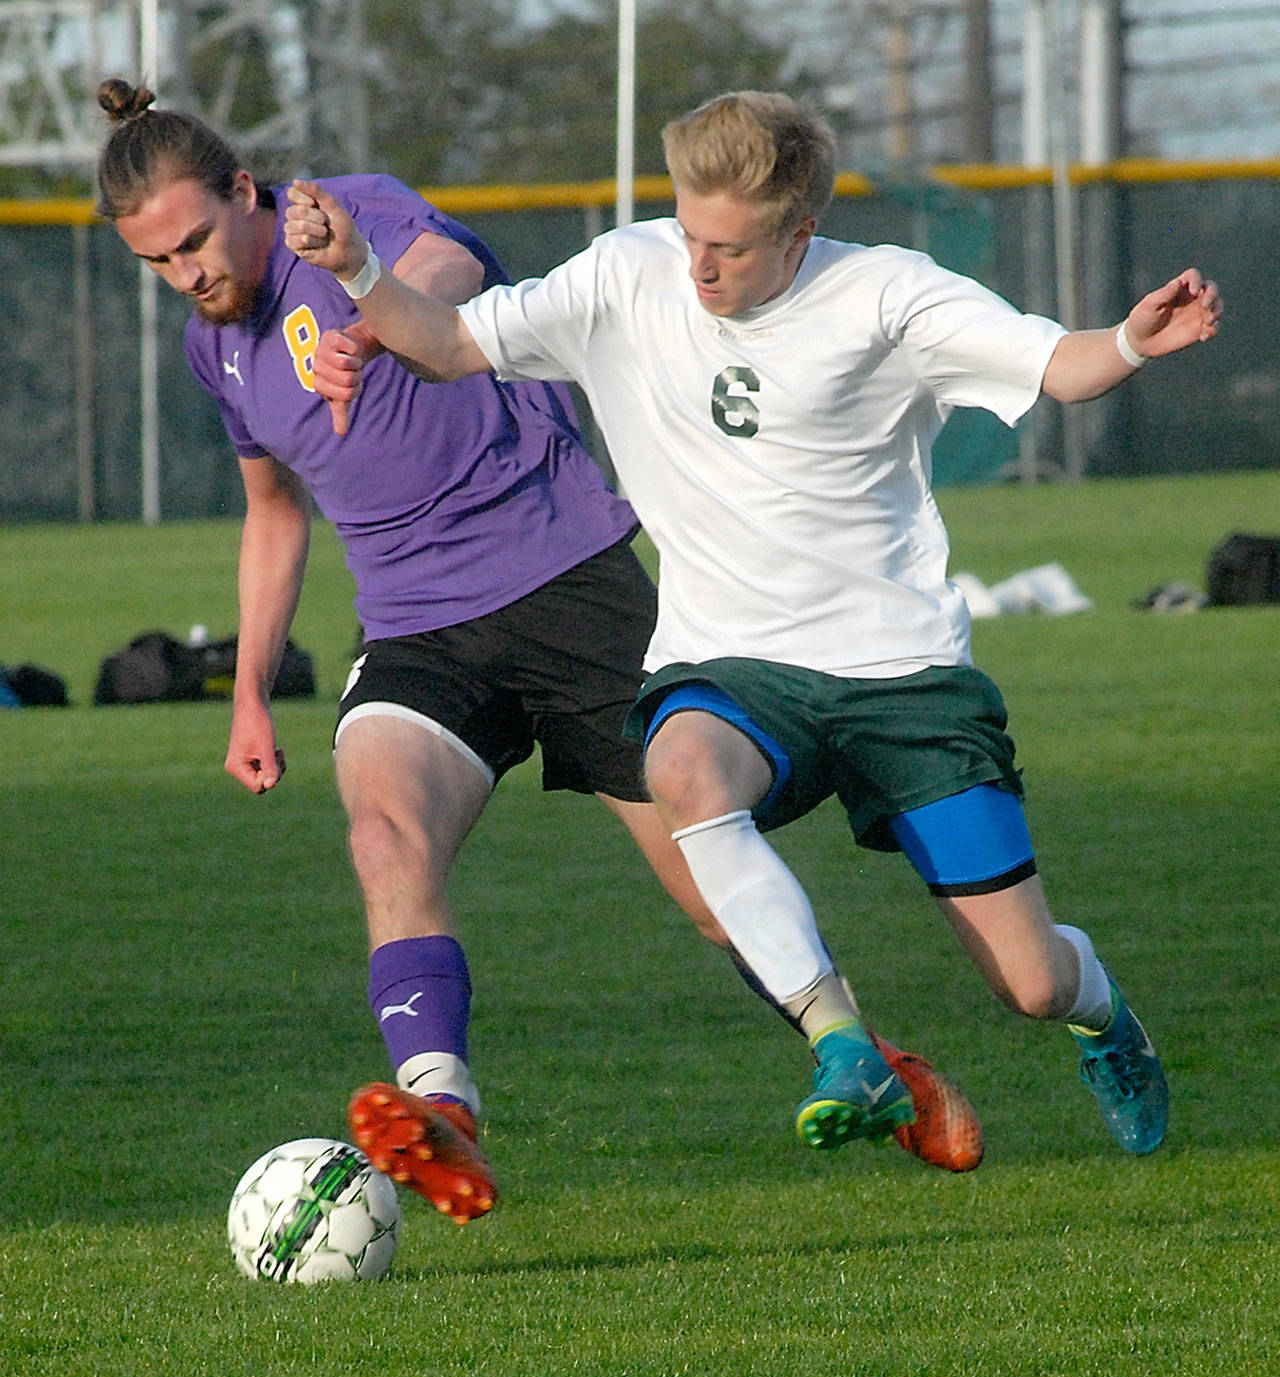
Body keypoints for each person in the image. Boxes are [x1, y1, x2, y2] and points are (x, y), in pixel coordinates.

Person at [95, 82, 981, 1232]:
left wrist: (373, 310)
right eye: (157, 262)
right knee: (381, 828)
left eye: (195, 241)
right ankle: (442, 1106)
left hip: (564, 577)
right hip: (416, 626)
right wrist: (250, 692)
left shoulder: (341, 213)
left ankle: (862, 1053)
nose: (187, 274)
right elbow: (274, 513)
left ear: (246, 194)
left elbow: (461, 280)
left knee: (709, 889)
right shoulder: (213, 349)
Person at [284, 89, 1224, 1163]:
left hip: (899, 675)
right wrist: (357, 268)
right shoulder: (622, 276)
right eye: (688, 232)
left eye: (728, 246)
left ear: (799, 233)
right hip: (733, 667)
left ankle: (1102, 1013)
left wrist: (1132, 342)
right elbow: (447, 342)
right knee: (679, 765)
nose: (699, 266)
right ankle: (840, 1045)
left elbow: (1055, 363)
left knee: (1028, 980)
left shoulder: (884, 296)